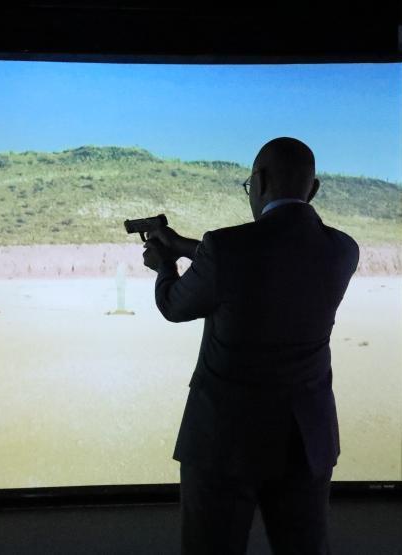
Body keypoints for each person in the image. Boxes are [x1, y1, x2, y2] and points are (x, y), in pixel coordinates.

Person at [141, 137, 359, 554]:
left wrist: (164, 263)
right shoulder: (343, 250)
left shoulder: (225, 250)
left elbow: (173, 304)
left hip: (225, 442)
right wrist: (186, 245)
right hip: (305, 439)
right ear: (312, 190)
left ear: (258, 181)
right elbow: (269, 258)